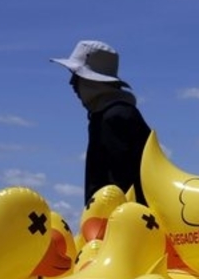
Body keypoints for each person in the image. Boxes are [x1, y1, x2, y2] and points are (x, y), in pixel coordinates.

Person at [51, 40, 151, 206]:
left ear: (92, 81)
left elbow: (122, 182)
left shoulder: (114, 117)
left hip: (121, 222)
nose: (72, 84)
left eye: (76, 76)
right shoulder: (110, 114)